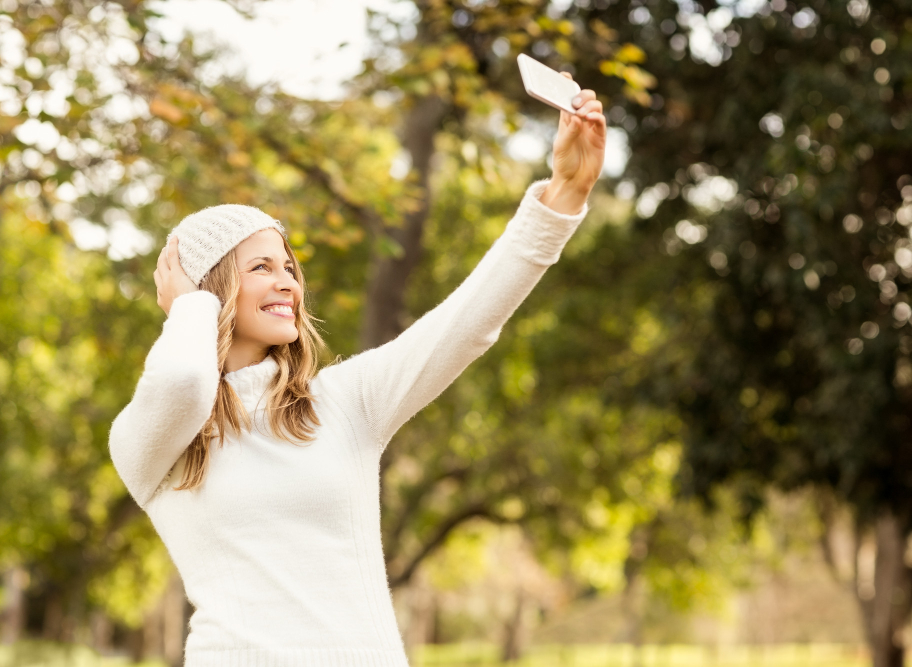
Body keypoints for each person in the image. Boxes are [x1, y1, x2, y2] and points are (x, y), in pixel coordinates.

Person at [109, 80, 606, 667]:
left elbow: (467, 325)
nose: (288, 282)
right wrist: (188, 307)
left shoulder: (344, 403)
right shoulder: (151, 440)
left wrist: (563, 195)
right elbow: (183, 384)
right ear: (211, 289)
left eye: (289, 267)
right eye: (261, 267)